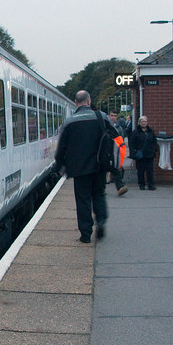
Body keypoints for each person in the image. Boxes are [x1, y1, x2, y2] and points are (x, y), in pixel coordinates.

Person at [55, 91, 118, 243]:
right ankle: (101, 220)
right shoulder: (101, 117)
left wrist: (60, 167)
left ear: (76, 102)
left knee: (82, 200)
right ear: (89, 101)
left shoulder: (69, 122)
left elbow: (61, 148)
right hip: (99, 166)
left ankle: (85, 234)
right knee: (99, 194)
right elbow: (115, 137)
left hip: (79, 168)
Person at [129, 115, 158, 190]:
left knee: (150, 171)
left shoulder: (151, 131)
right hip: (140, 155)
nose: (144, 123)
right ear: (139, 123)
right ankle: (141, 184)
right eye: (142, 121)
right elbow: (132, 143)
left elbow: (154, 141)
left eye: (145, 121)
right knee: (140, 170)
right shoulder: (135, 132)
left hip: (149, 154)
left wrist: (154, 150)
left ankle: (150, 184)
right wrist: (133, 153)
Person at [107, 110, 128, 196]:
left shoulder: (119, 128)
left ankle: (120, 187)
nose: (113, 117)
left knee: (116, 169)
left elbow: (121, 141)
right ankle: (101, 188)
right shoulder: (105, 126)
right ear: (109, 116)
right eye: (111, 115)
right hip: (105, 150)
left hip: (115, 151)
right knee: (102, 170)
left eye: (115, 116)